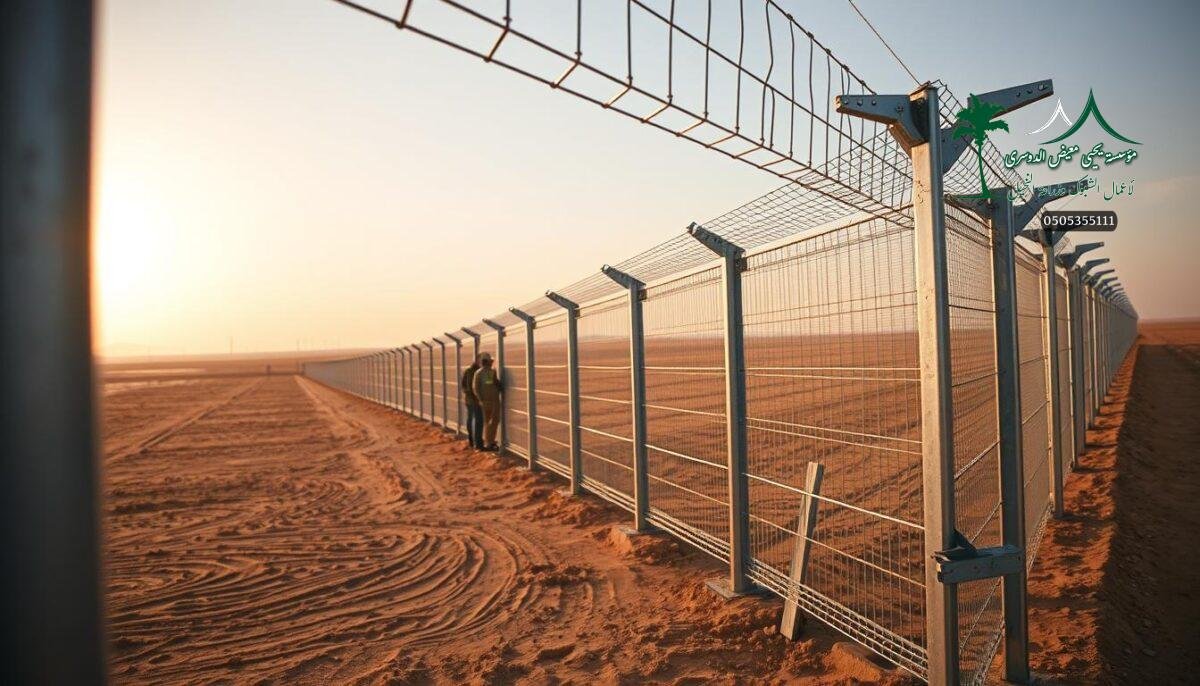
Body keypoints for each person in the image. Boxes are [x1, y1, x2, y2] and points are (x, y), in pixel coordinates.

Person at [471, 351, 503, 451]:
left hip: (485, 401)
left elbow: (475, 388)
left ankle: (489, 441)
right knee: (493, 421)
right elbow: (492, 384)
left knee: (488, 422)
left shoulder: (479, 372)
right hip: (492, 400)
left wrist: (480, 399)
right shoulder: (490, 372)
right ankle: (490, 442)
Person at [461, 355, 484, 450]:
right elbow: (470, 387)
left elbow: (463, 386)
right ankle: (477, 443)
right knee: (478, 420)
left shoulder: (468, 371)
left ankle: (472, 440)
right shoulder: (477, 372)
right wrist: (476, 397)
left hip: (469, 399)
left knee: (471, 419)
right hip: (474, 400)